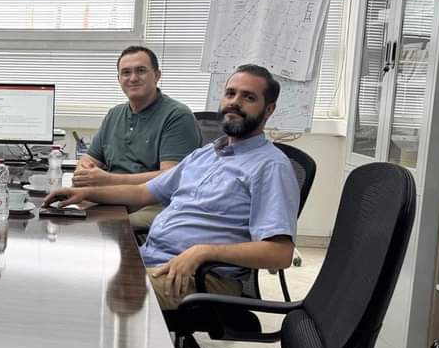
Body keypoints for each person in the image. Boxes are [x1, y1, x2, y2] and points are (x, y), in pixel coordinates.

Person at [45, 64, 298, 311]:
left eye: (249, 97)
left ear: (269, 110)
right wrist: (85, 193)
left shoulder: (271, 166)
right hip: (151, 257)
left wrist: (204, 252)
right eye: (230, 94)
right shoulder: (206, 154)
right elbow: (143, 192)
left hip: (200, 277)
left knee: (93, 293)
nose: (235, 102)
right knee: (66, 269)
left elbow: (280, 253)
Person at [73, 45, 200, 228]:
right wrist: (85, 173)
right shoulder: (115, 114)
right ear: (118, 79)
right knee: (64, 216)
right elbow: (88, 159)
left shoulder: (177, 116)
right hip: (113, 197)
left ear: (157, 76)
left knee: (108, 226)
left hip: (156, 203)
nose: (133, 78)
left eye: (141, 71)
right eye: (126, 73)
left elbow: (171, 176)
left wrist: (108, 180)